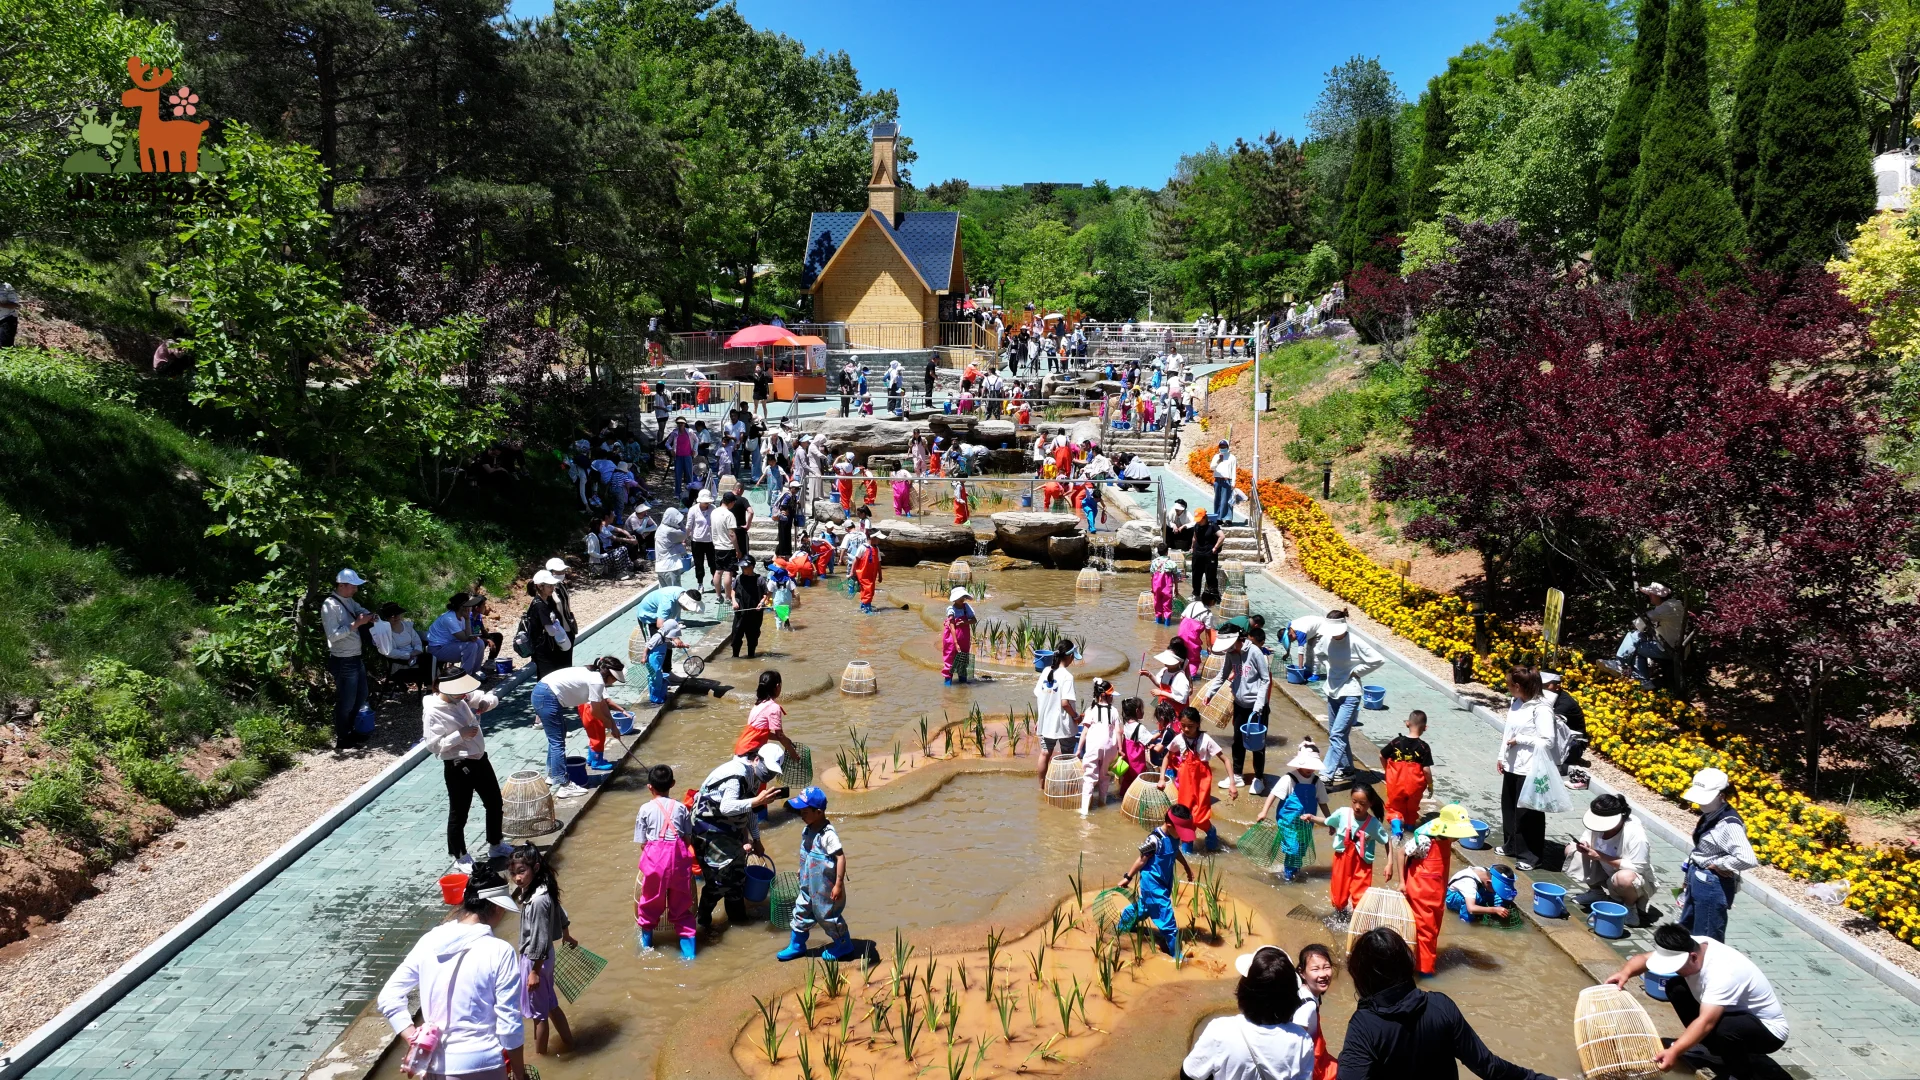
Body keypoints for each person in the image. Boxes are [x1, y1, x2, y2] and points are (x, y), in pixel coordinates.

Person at [1336, 926, 1558, 1080]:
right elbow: (1488, 1066)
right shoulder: (1441, 1006)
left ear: (1361, 975)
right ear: (1407, 964)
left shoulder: (1363, 1026)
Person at [377, 883, 529, 1080]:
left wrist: (416, 1041)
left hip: (436, 1065)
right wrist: (519, 1074)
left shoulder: (429, 940)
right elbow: (509, 1024)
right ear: (497, 907)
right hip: (484, 1063)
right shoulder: (500, 950)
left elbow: (388, 997)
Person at [1605, 924, 1789, 1077]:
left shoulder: (1723, 974)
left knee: (1726, 1029)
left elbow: (1706, 1022)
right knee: (1676, 987)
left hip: (1768, 1032)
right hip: (1730, 1013)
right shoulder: (1689, 944)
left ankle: (1741, 1074)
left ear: (1693, 957)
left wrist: (1675, 1051)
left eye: (1677, 967)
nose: (1675, 970)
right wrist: (1625, 973)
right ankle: (1711, 1050)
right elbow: (1643, 958)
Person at [1180, 945, 1315, 1080]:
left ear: (1245, 989)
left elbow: (1189, 1075)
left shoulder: (1220, 1030)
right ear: (1291, 996)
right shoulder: (1302, 1041)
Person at [693, 743, 787, 931]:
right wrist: (757, 801)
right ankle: (703, 922)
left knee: (737, 876)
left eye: (773, 773)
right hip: (708, 829)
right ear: (757, 759)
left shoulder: (754, 778)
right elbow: (727, 807)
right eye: (767, 770)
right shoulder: (737, 775)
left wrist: (756, 839)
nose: (769, 775)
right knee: (719, 880)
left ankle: (737, 921)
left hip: (728, 828)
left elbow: (749, 810)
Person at [424, 673, 512, 875]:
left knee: (494, 802)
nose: (464, 695)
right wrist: (459, 735)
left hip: (480, 759)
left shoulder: (462, 697)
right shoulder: (433, 712)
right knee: (459, 812)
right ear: (447, 690)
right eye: (460, 692)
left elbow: (489, 697)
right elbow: (433, 746)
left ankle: (496, 844)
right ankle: (459, 855)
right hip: (458, 765)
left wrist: (485, 703)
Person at [503, 847, 574, 1056]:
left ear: (534, 868)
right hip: (546, 957)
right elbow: (560, 912)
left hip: (535, 960)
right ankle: (570, 1044)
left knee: (538, 1016)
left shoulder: (537, 900)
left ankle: (542, 1058)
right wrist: (566, 934)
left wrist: (534, 971)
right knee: (550, 1005)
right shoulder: (543, 886)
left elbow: (540, 938)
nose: (517, 878)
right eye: (513, 873)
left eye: (521, 871)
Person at [777, 786, 861, 961]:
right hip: (808, 883)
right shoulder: (807, 830)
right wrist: (802, 868)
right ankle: (797, 945)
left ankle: (844, 945)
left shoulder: (828, 835)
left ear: (819, 812)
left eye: (805, 812)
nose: (801, 815)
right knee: (801, 910)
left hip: (825, 887)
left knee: (827, 916)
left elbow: (840, 858)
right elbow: (808, 853)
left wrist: (838, 885)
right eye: (800, 812)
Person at [1398, 803, 1481, 976]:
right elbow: (1401, 853)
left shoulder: (1446, 841)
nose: (1457, 838)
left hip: (1436, 896)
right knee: (1425, 931)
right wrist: (1402, 882)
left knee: (1432, 930)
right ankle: (1425, 971)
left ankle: (1414, 963)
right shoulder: (1425, 841)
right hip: (1419, 894)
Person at [1677, 767, 1756, 942]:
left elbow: (1748, 858)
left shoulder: (1729, 824)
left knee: (1707, 939)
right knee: (1688, 931)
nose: (1700, 803)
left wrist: (1720, 864)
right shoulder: (1711, 814)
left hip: (1711, 884)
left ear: (1722, 796)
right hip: (1698, 878)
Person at [530, 658, 623, 797]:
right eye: (615, 679)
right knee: (557, 742)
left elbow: (603, 704)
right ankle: (564, 785)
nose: (614, 682)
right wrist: (607, 723)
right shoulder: (597, 681)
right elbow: (595, 711)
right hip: (546, 695)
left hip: (543, 692)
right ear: (609, 675)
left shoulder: (595, 675)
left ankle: (553, 775)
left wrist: (613, 725)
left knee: (558, 738)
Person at [634, 763, 699, 959]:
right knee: (682, 905)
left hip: (655, 864)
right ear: (673, 784)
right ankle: (689, 957)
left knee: (650, 902)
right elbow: (687, 840)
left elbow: (642, 843)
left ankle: (647, 948)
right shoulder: (681, 808)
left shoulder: (645, 809)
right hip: (678, 863)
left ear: (649, 787)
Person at [1117, 803, 1196, 959]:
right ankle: (1177, 957)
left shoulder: (1174, 836)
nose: (1182, 836)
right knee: (1167, 921)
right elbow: (1141, 859)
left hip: (1164, 882)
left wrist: (1187, 867)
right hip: (1152, 884)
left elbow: (1176, 851)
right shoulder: (1154, 840)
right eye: (1181, 832)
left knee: (1145, 908)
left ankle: (1123, 925)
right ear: (1169, 825)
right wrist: (1128, 877)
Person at [1565, 793, 1657, 926]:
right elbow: (1587, 835)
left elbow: (1638, 867)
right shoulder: (1597, 823)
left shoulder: (1636, 834)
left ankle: (1630, 907)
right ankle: (1596, 892)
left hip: (1633, 880)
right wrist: (1584, 843)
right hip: (1606, 870)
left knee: (1624, 877)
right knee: (1572, 850)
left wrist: (1601, 856)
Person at [1495, 667, 1554, 870]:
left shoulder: (1541, 709)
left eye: (1509, 684)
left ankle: (1531, 856)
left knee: (1528, 813)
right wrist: (1501, 756)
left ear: (1518, 686)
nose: (1507, 687)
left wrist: (1521, 739)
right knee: (1509, 808)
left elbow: (1548, 741)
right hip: (1512, 764)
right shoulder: (1516, 702)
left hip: (1530, 767)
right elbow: (1508, 732)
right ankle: (1511, 845)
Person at [1204, 628, 1272, 794]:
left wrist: (1258, 705)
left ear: (1236, 640)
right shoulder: (1230, 654)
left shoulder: (1255, 652)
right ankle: (1237, 775)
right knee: (1238, 741)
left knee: (1257, 744)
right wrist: (1210, 693)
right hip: (1240, 704)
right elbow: (1223, 675)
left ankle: (1259, 778)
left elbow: (1265, 680)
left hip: (1257, 707)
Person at [1318, 614, 1383, 787]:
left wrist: (1356, 672)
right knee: (1338, 734)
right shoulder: (1326, 639)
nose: (1334, 635)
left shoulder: (1355, 641)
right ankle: (1347, 770)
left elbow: (1377, 660)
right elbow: (1319, 653)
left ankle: (1326, 774)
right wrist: (1328, 666)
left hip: (1351, 692)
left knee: (1337, 734)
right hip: (1332, 691)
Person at [1164, 706, 1234, 852]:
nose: (1186, 729)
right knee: (1185, 817)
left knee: (1199, 817)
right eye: (1183, 725)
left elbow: (1226, 760)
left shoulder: (1206, 740)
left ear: (1197, 724)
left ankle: (1211, 831)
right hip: (1185, 782)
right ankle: (1188, 854)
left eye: (1190, 726)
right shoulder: (1178, 739)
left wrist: (1232, 783)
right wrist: (1161, 777)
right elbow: (1167, 757)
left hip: (1202, 781)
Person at [321, 568, 376, 749]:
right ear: (342, 585)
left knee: (361, 695)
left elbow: (360, 610)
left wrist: (370, 616)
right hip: (343, 659)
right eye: (353, 586)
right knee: (347, 701)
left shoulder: (348, 600)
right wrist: (357, 624)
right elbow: (333, 635)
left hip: (355, 656)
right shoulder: (330, 606)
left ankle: (351, 730)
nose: (356, 590)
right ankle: (343, 737)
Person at [1259, 745, 1328, 882]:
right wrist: (1263, 812)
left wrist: (1329, 821)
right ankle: (1288, 876)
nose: (1310, 769)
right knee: (1293, 848)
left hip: (1306, 823)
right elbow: (1273, 794)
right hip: (1288, 822)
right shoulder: (1289, 779)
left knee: (1301, 849)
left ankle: (1294, 871)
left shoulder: (1316, 782)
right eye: (1307, 765)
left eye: (1312, 766)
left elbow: (1323, 802)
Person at [1323, 783, 1388, 913]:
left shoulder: (1373, 824)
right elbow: (1327, 821)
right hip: (1342, 860)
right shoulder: (1343, 813)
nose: (1357, 806)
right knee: (1338, 898)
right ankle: (1340, 915)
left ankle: (1357, 917)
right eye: (1354, 802)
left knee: (1360, 898)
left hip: (1362, 864)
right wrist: (1312, 818)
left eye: (1362, 804)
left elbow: (1387, 841)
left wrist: (1389, 863)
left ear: (1370, 804)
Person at [1034, 642, 1082, 789]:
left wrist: (1039, 719)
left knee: (1045, 753)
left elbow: (1039, 696)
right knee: (1067, 756)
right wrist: (1076, 716)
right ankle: (1065, 787)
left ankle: (1042, 787)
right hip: (1063, 724)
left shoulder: (1046, 671)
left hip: (1046, 723)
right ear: (1070, 656)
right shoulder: (1067, 676)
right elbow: (1065, 703)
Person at [1380, 711, 1434, 836]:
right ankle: (1410, 827)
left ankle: (1396, 825)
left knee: (1394, 807)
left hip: (1395, 783)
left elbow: (1381, 755)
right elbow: (1426, 770)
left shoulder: (1396, 742)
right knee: (1411, 808)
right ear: (1425, 728)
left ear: (1407, 724)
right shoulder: (1424, 747)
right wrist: (1430, 785)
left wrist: (1388, 771)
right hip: (1414, 786)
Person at [1079, 678, 1122, 814]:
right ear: (1104, 695)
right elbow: (1118, 732)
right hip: (1110, 749)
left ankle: (1084, 810)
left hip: (1093, 748)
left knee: (1089, 777)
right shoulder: (1114, 711)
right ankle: (1102, 803)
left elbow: (1084, 732)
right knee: (1104, 776)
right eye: (1111, 696)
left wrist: (1079, 749)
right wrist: (1120, 749)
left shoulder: (1090, 710)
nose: (1113, 698)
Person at [522, 571, 576, 679]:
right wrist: (557, 626)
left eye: (553, 585)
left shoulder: (547, 601)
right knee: (546, 677)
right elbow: (550, 630)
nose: (552, 588)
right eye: (549, 586)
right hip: (542, 648)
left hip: (549, 646)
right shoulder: (539, 605)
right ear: (540, 586)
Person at [1296, 944, 1338, 1080]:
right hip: (1314, 1070)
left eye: (1326, 967)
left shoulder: (1306, 992)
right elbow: (1295, 1048)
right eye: (1315, 969)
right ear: (1302, 972)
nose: (1323, 974)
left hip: (1321, 1062)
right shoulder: (1306, 1007)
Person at [735, 670, 799, 758]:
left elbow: (763, 733)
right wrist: (793, 753)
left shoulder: (759, 704)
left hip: (741, 749)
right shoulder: (774, 707)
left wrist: (786, 740)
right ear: (778, 686)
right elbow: (780, 735)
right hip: (750, 753)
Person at [428, 593, 490, 678]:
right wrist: (467, 620)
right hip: (438, 649)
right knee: (471, 646)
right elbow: (464, 638)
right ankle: (465, 677)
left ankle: (475, 672)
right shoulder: (449, 618)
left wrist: (467, 621)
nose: (471, 607)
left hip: (451, 644)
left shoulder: (462, 617)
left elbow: (468, 635)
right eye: (469, 605)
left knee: (479, 642)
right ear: (462, 607)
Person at [372, 601, 430, 691]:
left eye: (397, 614)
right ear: (386, 618)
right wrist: (408, 655)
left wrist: (416, 652)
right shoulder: (384, 633)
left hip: (415, 658)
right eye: (392, 615)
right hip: (398, 664)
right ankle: (431, 689)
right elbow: (389, 652)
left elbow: (417, 642)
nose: (395, 617)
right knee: (429, 661)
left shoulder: (407, 626)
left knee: (431, 659)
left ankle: (431, 688)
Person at [641, 608, 690, 706]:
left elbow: (669, 644)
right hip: (653, 660)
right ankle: (655, 698)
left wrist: (682, 645)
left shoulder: (664, 638)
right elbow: (648, 646)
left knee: (658, 676)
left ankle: (658, 694)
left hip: (658, 661)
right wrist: (644, 657)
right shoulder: (658, 637)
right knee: (655, 677)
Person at [730, 557, 769, 658]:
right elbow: (733, 590)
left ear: (752, 567)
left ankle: (751, 656)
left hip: (754, 614)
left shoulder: (759, 579)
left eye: (745, 567)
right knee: (736, 635)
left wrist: (761, 603)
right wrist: (733, 601)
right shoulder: (738, 578)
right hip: (740, 613)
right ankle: (735, 656)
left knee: (752, 637)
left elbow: (766, 594)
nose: (743, 569)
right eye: (742, 567)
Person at [1443, 865, 1511, 923]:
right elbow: (1471, 909)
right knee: (1476, 898)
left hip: (1476, 890)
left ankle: (1483, 908)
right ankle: (1465, 920)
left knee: (1498, 897)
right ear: (1489, 883)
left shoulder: (1487, 872)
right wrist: (1495, 910)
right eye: (1496, 889)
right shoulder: (1469, 883)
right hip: (1452, 898)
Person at [1175, 590, 1217, 678]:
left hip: (1181, 633)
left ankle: (1178, 674)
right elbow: (1208, 632)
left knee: (1181, 655)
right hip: (1191, 637)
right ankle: (1191, 679)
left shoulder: (1193, 604)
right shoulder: (1208, 614)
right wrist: (1209, 647)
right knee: (1194, 659)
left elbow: (1181, 617)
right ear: (1212, 601)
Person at [942, 586, 976, 685]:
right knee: (950, 659)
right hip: (952, 638)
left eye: (963, 597)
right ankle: (947, 685)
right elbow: (952, 627)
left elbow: (974, 620)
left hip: (964, 637)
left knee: (963, 659)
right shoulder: (951, 609)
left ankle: (963, 685)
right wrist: (956, 643)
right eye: (959, 597)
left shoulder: (966, 607)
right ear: (955, 598)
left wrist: (965, 622)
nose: (962, 599)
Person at [1190, 510, 1224, 599]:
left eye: (1200, 519)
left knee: (1210, 576)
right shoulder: (1197, 525)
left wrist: (1215, 548)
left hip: (1209, 555)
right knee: (1196, 575)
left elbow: (1222, 536)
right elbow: (1194, 537)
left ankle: (1214, 596)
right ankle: (1196, 594)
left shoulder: (1212, 526)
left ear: (1204, 518)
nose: (1198, 521)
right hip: (1197, 554)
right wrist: (1192, 547)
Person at [654, 504, 690, 587]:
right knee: (675, 592)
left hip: (660, 567)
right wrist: (681, 524)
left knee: (664, 593)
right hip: (670, 567)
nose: (678, 522)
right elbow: (684, 534)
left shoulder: (660, 528)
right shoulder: (669, 531)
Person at [850, 526, 884, 614]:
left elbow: (878, 562)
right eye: (877, 538)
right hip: (863, 574)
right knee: (867, 590)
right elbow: (856, 560)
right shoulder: (863, 547)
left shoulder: (876, 548)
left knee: (870, 591)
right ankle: (867, 608)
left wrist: (880, 575)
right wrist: (852, 572)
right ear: (872, 538)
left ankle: (864, 605)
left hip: (872, 575)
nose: (879, 540)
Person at [687, 489, 716, 588]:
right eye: (705, 502)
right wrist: (684, 538)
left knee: (713, 562)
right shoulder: (693, 510)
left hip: (710, 540)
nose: (707, 503)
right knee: (698, 563)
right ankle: (700, 583)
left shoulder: (713, 508)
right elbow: (689, 525)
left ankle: (715, 580)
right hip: (697, 541)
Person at [1148, 543, 1181, 625]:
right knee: (1167, 606)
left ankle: (1158, 623)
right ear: (1167, 552)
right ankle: (1167, 625)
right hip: (1167, 587)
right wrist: (1176, 589)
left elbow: (1152, 577)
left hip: (1156, 587)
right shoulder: (1172, 563)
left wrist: (1152, 588)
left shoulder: (1154, 562)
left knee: (1157, 604)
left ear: (1158, 552)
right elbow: (1176, 577)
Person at [1209, 439, 1238, 521]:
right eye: (1221, 446)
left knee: (1226, 500)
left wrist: (1233, 482)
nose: (1222, 448)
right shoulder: (1216, 456)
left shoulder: (1232, 458)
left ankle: (1227, 518)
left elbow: (1233, 470)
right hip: (1218, 480)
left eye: (1224, 446)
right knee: (1217, 499)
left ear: (1227, 447)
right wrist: (1218, 461)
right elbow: (1212, 467)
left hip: (1227, 480)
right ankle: (1218, 517)